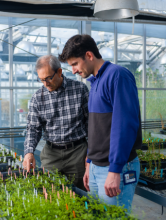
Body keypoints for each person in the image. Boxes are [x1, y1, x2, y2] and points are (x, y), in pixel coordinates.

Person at [58, 34, 142, 212]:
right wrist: (89, 162)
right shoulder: (95, 82)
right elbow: (96, 128)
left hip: (114, 167)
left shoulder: (118, 76)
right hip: (97, 166)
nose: (72, 70)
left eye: (74, 64)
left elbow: (125, 126)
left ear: (89, 55)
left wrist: (115, 170)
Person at [23, 54, 89, 190]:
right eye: (41, 80)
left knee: (80, 193)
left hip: (77, 152)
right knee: (49, 192)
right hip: (51, 153)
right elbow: (33, 128)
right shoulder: (37, 97)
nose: (46, 84)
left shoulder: (80, 90)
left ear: (59, 72)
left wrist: (91, 154)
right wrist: (29, 152)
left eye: (48, 78)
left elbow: (91, 124)